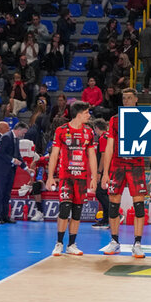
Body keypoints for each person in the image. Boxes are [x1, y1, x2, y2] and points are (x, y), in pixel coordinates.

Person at [100, 88, 151, 258]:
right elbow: (109, 146)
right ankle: (114, 241)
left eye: (129, 98)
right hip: (118, 166)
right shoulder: (115, 120)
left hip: (136, 166)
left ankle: (138, 243)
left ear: (136, 100)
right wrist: (105, 172)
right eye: (124, 98)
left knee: (139, 204)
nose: (126, 101)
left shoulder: (144, 119)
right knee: (113, 203)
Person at [46, 103, 98, 254]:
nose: (89, 115)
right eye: (87, 112)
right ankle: (59, 243)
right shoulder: (61, 130)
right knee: (64, 209)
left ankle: (71, 245)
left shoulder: (88, 132)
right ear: (79, 114)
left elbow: (92, 156)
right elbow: (54, 154)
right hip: (66, 177)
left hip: (81, 177)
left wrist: (94, 177)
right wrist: (50, 176)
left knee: (77, 212)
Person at [0, 121, 27, 225]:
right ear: (19, 130)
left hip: (10, 170)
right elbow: (0, 152)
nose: (24, 135)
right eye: (23, 132)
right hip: (1, 169)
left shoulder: (16, 139)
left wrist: (25, 168)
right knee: (0, 193)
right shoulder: (6, 137)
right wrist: (12, 160)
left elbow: (18, 156)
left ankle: (5, 216)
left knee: (7, 194)